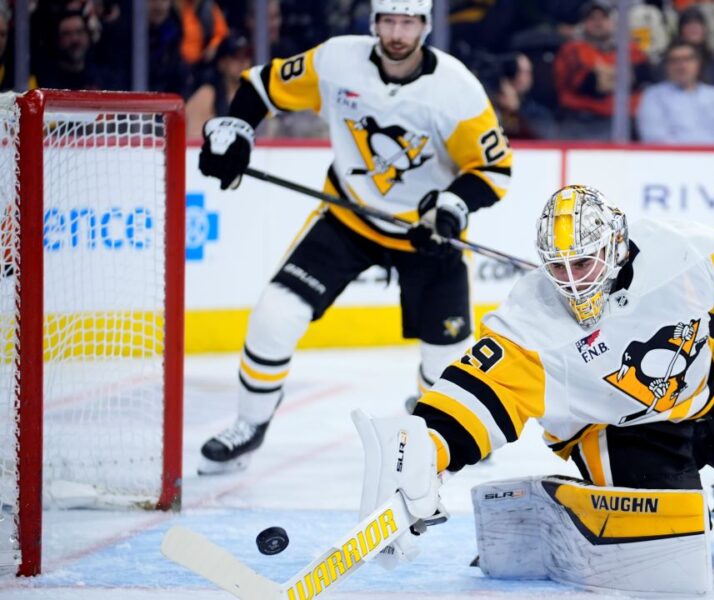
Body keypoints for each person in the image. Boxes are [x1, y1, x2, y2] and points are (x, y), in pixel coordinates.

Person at [354, 184, 714, 594]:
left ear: (613, 245)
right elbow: (478, 394)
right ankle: (562, 504)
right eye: (558, 268)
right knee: (669, 548)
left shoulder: (686, 251)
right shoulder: (530, 322)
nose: (571, 283)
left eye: (584, 264)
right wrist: (425, 454)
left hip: (712, 390)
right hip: (618, 432)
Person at [196, 0, 513, 474]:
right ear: (374, 22)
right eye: (389, 21)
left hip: (425, 234)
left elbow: (493, 168)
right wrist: (238, 130)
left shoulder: (457, 90)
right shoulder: (337, 60)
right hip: (349, 218)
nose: (397, 34)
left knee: (445, 364)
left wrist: (450, 207)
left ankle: (437, 415)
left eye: (408, 22)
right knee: (274, 315)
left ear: (425, 26)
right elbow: (262, 85)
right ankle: (250, 423)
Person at [552, 0, 652, 140]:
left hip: (626, 119)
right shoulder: (572, 49)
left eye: (603, 17)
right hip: (583, 119)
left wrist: (605, 75)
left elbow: (645, 76)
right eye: (592, 18)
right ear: (584, 24)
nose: (598, 22)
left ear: (613, 21)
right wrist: (622, 76)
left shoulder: (630, 48)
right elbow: (585, 84)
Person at [636, 41, 714, 144]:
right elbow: (654, 138)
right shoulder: (653, 96)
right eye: (675, 60)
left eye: (687, 59)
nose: (682, 66)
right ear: (667, 66)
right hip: (673, 154)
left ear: (698, 63)